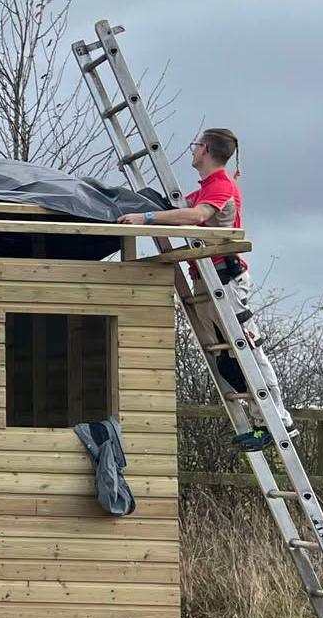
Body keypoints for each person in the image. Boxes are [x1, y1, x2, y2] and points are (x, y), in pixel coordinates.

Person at [117, 127, 291, 451]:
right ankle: (260, 421)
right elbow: (182, 208)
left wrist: (147, 216)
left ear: (206, 149)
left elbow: (197, 215)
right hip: (207, 280)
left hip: (225, 280)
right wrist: (139, 198)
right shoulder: (207, 188)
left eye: (196, 145)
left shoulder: (222, 186)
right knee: (226, 356)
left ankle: (277, 420)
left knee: (247, 348)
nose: (192, 150)